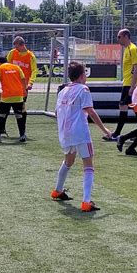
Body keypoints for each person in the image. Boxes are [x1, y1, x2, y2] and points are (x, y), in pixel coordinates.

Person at [51, 61, 112, 212]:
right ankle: (86, 202)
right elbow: (90, 111)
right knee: (88, 165)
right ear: (82, 75)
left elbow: (57, 113)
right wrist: (104, 130)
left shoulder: (62, 91)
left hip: (65, 133)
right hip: (80, 133)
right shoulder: (83, 89)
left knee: (68, 161)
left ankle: (57, 190)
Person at [103, 28, 137, 141]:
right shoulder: (127, 49)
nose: (118, 39)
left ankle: (117, 134)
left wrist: (133, 86)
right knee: (129, 107)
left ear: (126, 36)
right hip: (128, 83)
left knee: (125, 106)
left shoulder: (133, 49)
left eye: (119, 37)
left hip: (131, 84)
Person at [0, 56, 27, 143]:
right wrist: (24, 90)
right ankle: (22, 135)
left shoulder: (0, 68)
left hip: (7, 96)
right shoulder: (17, 67)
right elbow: (23, 79)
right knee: (19, 115)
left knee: (1, 115)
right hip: (18, 95)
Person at [6, 36, 38, 140]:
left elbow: (34, 71)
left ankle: (22, 132)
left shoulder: (30, 56)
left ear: (22, 45)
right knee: (5, 106)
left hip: (23, 87)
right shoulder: (12, 53)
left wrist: (30, 83)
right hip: (11, 85)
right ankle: (1, 129)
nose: (16, 49)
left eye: (17, 47)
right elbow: (6, 65)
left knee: (21, 108)